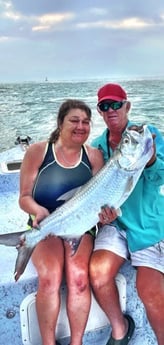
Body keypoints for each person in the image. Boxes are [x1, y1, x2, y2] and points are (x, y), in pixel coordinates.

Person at [19, 99, 104, 345]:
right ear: (60, 123)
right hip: (43, 225)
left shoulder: (94, 156)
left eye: (86, 122)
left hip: (80, 226)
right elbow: (24, 198)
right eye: (74, 120)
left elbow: (100, 199)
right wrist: (37, 211)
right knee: (50, 278)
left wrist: (105, 216)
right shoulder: (38, 152)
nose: (81, 126)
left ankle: (76, 342)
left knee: (78, 277)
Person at [89, 83, 164, 345]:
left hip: (147, 224)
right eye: (104, 106)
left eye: (116, 104)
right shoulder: (96, 148)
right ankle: (120, 330)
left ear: (127, 106)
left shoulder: (147, 136)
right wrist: (101, 217)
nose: (111, 110)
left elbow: (160, 178)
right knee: (97, 273)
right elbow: (96, 196)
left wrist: (153, 159)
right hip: (116, 225)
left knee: (151, 293)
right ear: (99, 112)